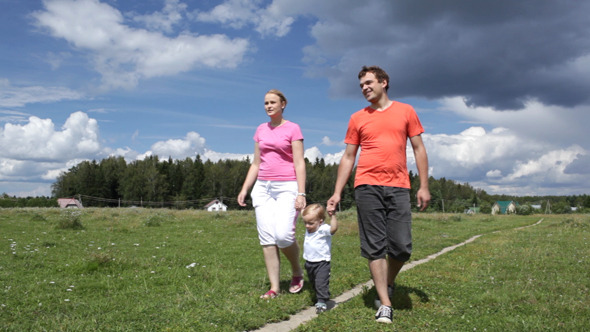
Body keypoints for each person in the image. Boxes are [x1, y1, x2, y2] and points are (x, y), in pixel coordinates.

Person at [327, 66, 431, 324]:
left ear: (384, 82)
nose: (364, 88)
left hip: (399, 185)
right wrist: (337, 192)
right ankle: (385, 303)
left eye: (369, 82)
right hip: (367, 185)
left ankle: (387, 282)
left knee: (402, 246)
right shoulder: (357, 118)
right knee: (374, 246)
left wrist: (424, 185)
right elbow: (349, 156)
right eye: (361, 85)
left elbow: (419, 149)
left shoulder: (406, 111)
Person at [238, 89, 307, 300]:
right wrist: (245, 189)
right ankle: (274, 287)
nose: (268, 106)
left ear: (283, 104)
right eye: (266, 103)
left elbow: (299, 162)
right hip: (263, 188)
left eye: (273, 102)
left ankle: (296, 271)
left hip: (287, 186)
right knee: (267, 238)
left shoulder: (293, 128)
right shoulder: (260, 129)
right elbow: (256, 163)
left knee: (284, 235)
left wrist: (301, 193)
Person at [301, 204, 338, 314]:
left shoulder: (323, 229)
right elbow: (305, 212)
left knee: (320, 282)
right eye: (305, 223)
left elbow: (334, 229)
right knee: (314, 282)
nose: (307, 226)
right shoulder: (310, 228)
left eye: (310, 223)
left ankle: (322, 301)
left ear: (320, 221)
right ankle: (320, 295)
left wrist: (333, 216)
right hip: (309, 262)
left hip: (322, 262)